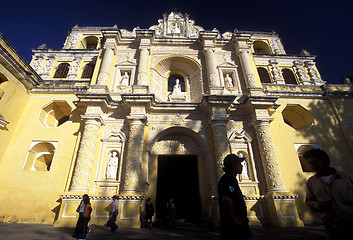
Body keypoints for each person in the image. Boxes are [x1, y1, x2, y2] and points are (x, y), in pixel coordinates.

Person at [303, 148, 353, 240]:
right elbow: (309, 201)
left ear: (325, 161)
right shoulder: (311, 182)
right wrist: (319, 205)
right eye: (310, 163)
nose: (312, 165)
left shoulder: (347, 179)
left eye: (315, 162)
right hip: (331, 225)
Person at [218, 154, 252, 240]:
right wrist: (236, 220)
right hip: (234, 229)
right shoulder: (227, 179)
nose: (241, 166)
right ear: (233, 165)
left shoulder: (231, 179)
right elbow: (227, 200)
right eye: (239, 164)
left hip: (238, 228)